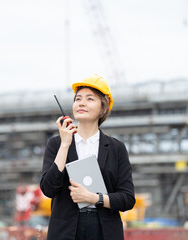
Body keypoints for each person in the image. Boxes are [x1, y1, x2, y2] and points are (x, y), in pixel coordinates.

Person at [40, 74, 135, 240]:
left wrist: (94, 198)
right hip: (66, 231)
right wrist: (65, 144)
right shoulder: (56, 144)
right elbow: (48, 189)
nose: (81, 103)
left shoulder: (116, 149)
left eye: (90, 99)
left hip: (104, 231)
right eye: (78, 99)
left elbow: (127, 199)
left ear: (103, 108)